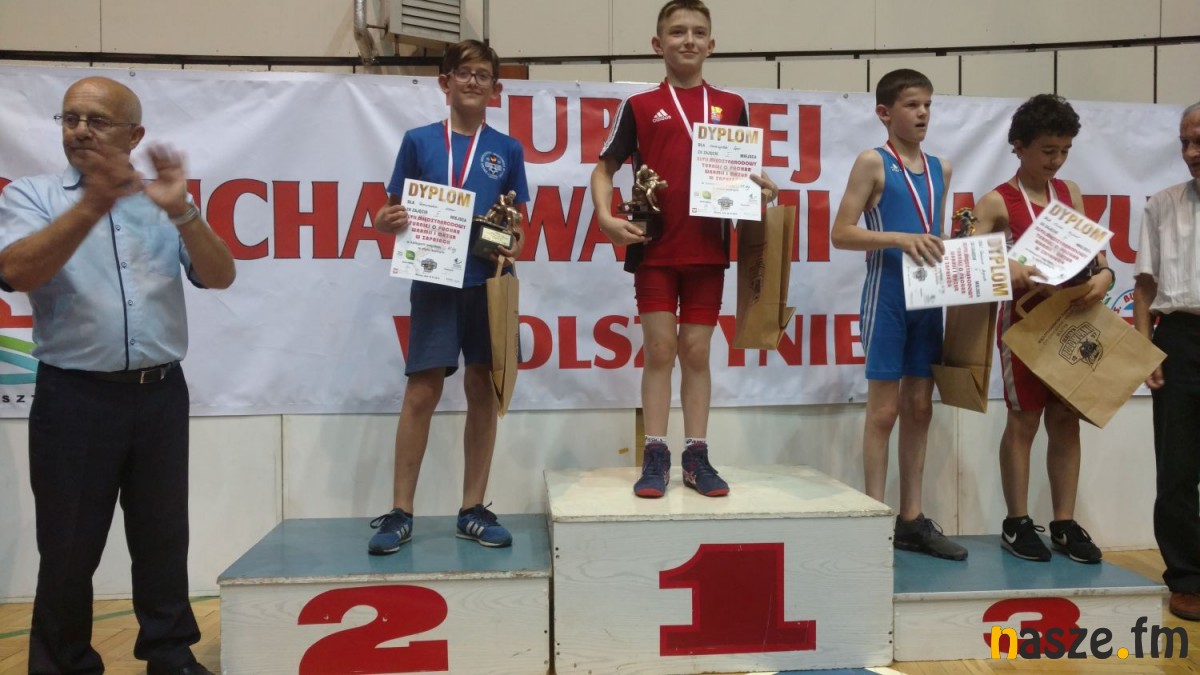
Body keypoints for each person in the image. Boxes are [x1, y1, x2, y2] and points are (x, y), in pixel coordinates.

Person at [0, 76, 235, 675]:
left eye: (97, 120)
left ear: (135, 136)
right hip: (74, 397)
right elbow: (16, 271)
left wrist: (184, 211)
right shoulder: (33, 195)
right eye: (70, 118)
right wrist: (92, 205)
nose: (80, 130)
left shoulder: (163, 202)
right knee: (69, 545)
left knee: (163, 536)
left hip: (160, 393)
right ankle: (63, 663)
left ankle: (170, 653)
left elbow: (220, 275)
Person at [591, 0, 777, 499]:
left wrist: (761, 189)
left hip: (708, 249)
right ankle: (655, 453)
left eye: (697, 32)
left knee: (696, 351)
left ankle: (696, 456)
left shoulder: (732, 105)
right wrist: (606, 217)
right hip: (654, 248)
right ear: (659, 44)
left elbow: (741, 173)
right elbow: (604, 169)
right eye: (677, 32)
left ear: (711, 44)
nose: (688, 40)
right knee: (659, 349)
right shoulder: (638, 105)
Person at [369, 39, 529, 553]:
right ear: (445, 82)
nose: (473, 82)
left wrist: (512, 241)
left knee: (483, 389)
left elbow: (519, 226)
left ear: (495, 88)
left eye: (483, 75)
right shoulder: (418, 141)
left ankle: (472, 508)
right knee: (422, 392)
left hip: (488, 283)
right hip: (435, 281)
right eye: (463, 73)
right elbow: (390, 212)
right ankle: (400, 511)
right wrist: (385, 220)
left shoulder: (507, 150)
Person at [830, 69, 966, 561]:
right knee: (884, 411)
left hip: (928, 297)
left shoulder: (941, 169)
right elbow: (841, 233)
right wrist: (899, 239)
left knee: (921, 407)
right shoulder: (873, 162)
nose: (923, 113)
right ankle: (874, 516)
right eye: (912, 105)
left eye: (927, 104)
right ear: (885, 113)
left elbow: (932, 236)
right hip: (886, 295)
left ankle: (911, 518)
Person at [972, 94, 1109, 564]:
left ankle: (1064, 523)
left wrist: (1106, 275)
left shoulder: (1069, 193)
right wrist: (1005, 266)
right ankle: (1016, 522)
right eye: (1048, 150)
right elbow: (966, 264)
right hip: (1024, 326)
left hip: (1070, 319)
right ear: (1019, 146)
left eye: (1065, 150)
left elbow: (1095, 254)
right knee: (1025, 420)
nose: (1057, 160)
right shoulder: (997, 201)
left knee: (1066, 419)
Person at [1134, 102, 1200, 619]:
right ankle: (1187, 578)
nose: (1191, 152)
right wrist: (1145, 349)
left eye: (1199, 142)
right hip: (1179, 337)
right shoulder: (1162, 204)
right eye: (1184, 142)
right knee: (1176, 469)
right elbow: (1144, 285)